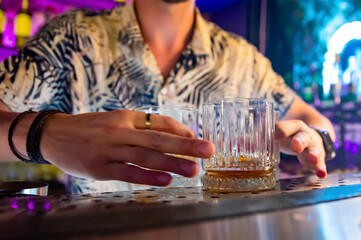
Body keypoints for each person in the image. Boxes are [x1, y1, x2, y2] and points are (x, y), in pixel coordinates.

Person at [0, 0, 335, 194]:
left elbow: (317, 122)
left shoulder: (241, 59)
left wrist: (313, 139)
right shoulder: (71, 40)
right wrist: (43, 132)